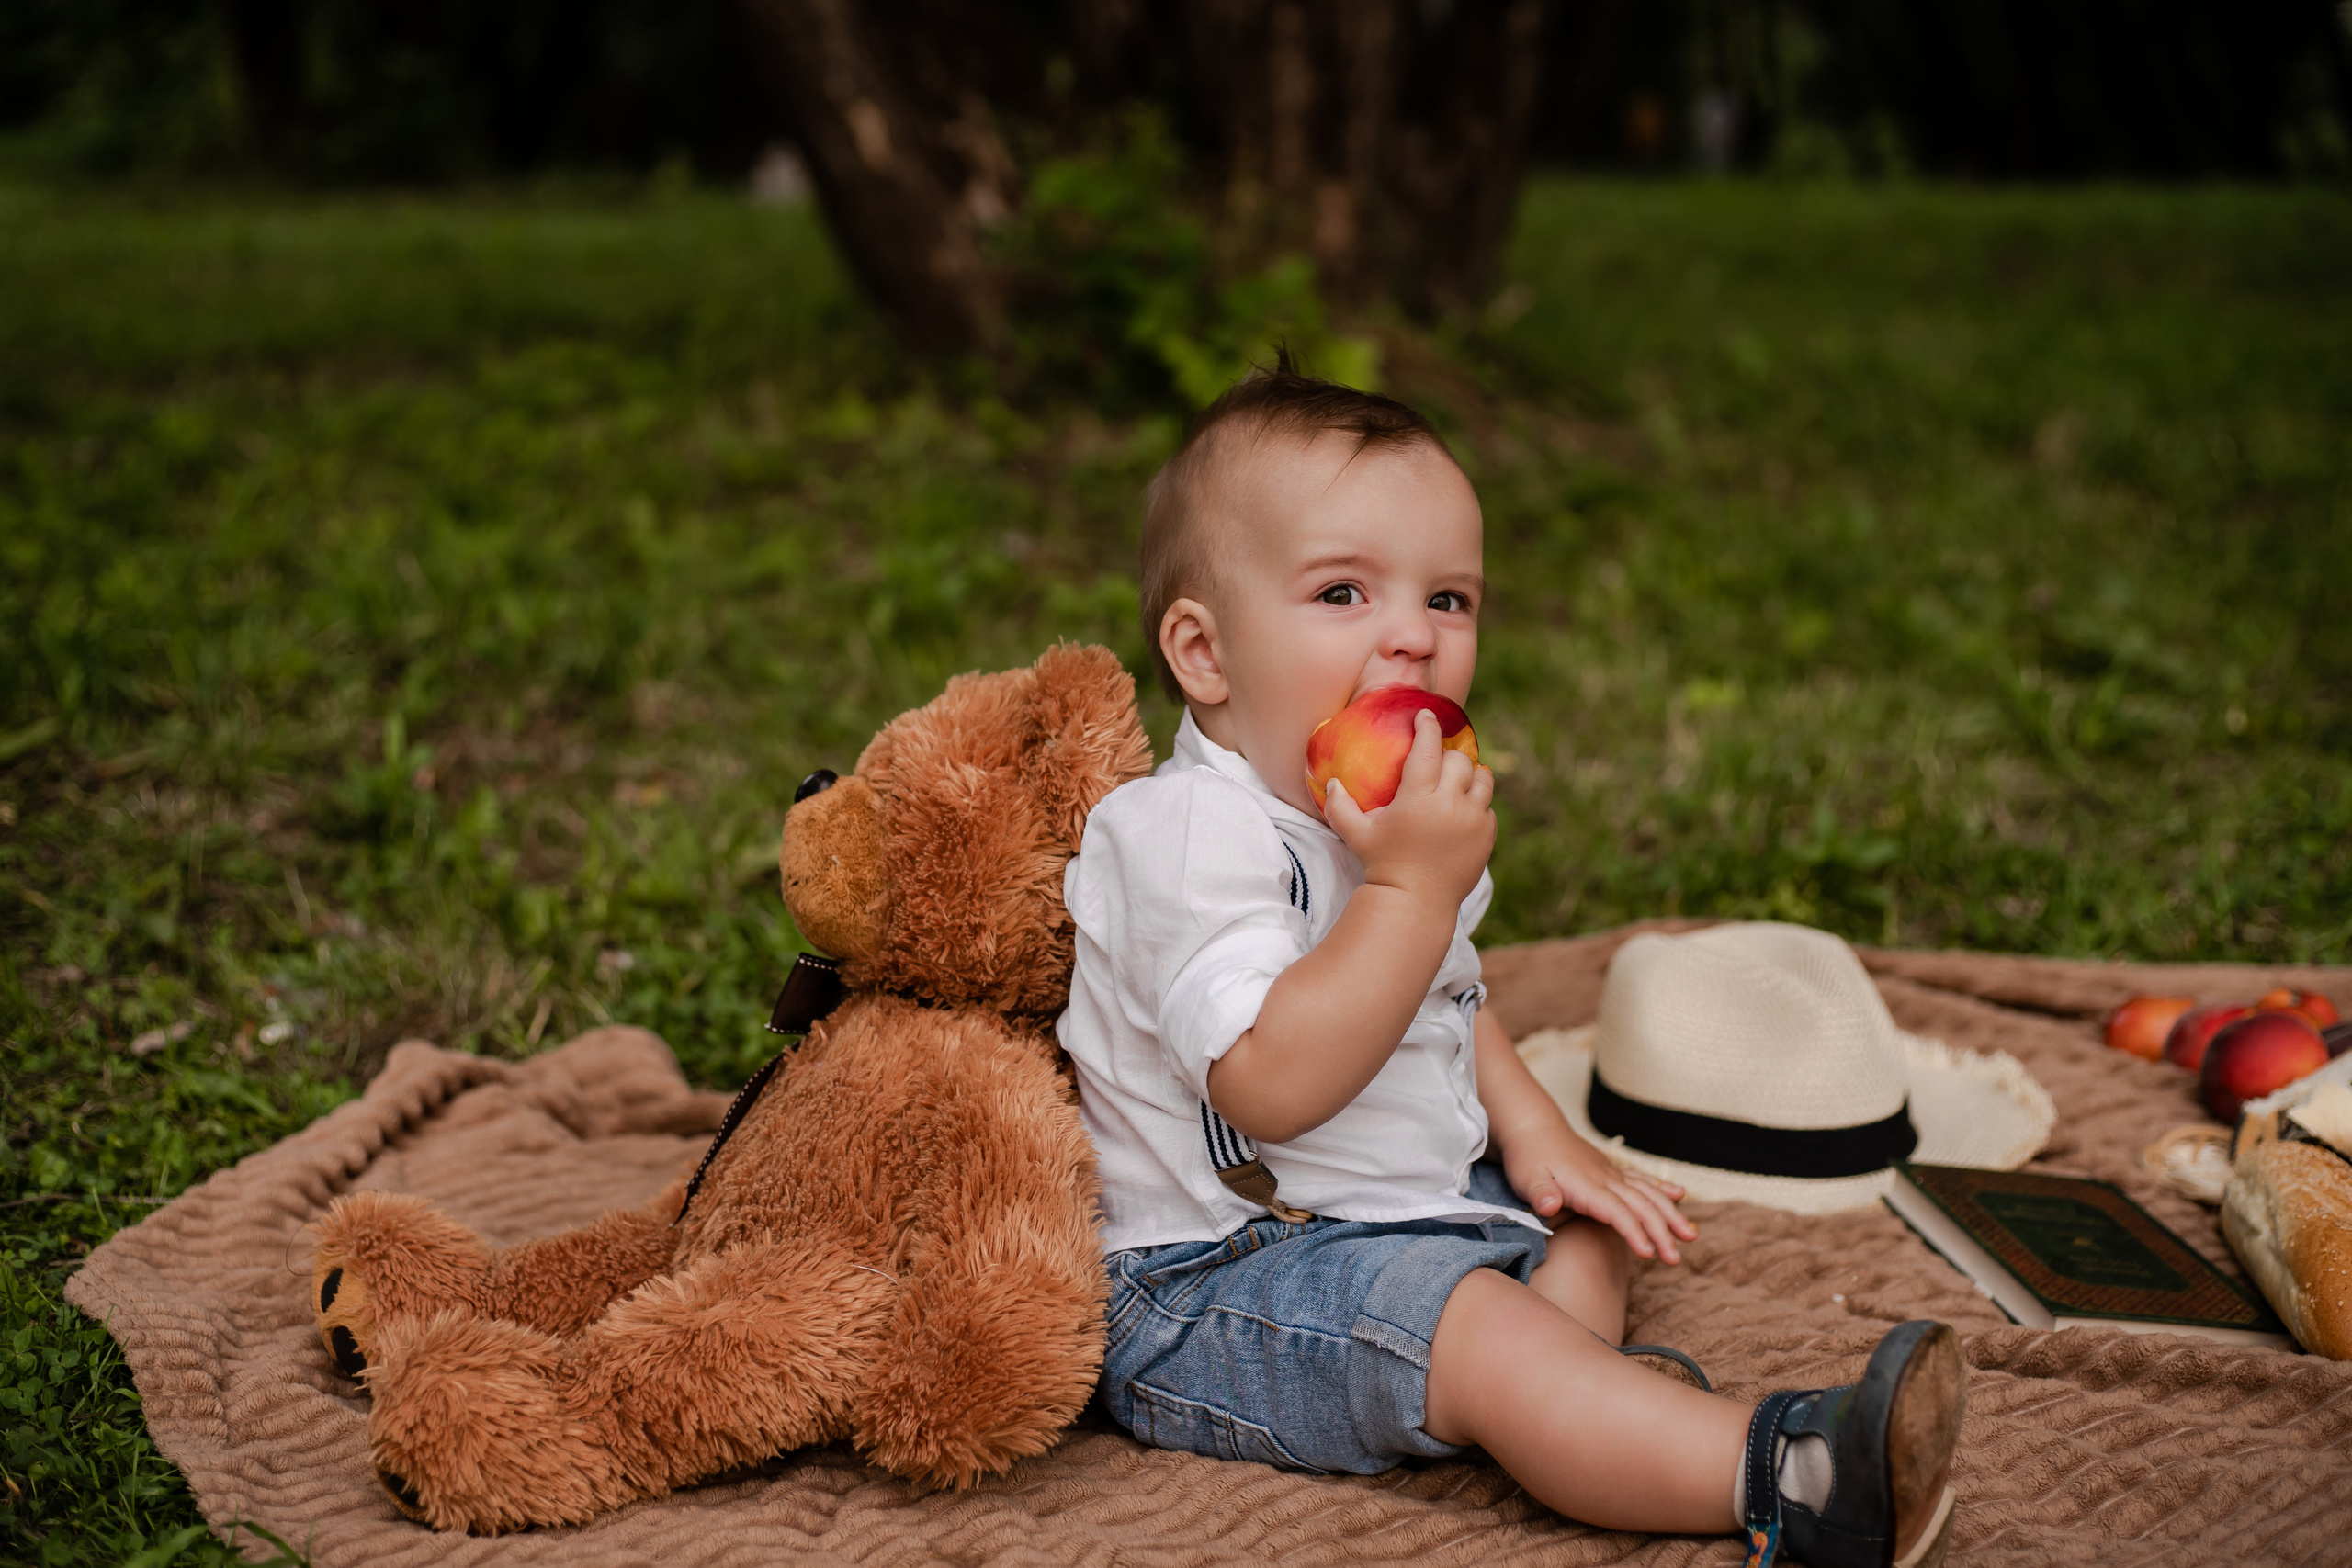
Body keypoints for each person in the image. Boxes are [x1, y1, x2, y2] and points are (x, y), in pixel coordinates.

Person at [1055, 357, 1967, 1568]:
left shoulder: (1382, 812)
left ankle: (1580, 1404)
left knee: (1590, 1232)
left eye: (1451, 600)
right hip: (1221, 1277)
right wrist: (1411, 889)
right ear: (1204, 654)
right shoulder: (1180, 836)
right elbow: (1268, 1083)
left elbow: (1448, 993)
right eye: (1342, 592)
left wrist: (1538, 1137)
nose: (1413, 640)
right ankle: (1793, 1473)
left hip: (1406, 1218)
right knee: (1484, 1333)